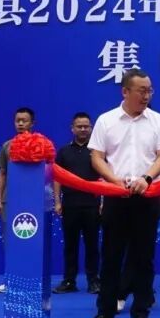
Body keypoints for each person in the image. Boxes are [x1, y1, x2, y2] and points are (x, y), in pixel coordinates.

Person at [82, 68, 160, 318]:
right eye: (141, 91)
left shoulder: (157, 120)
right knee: (111, 256)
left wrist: (147, 178)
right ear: (125, 91)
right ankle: (105, 314)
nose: (147, 96)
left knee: (144, 258)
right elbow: (96, 157)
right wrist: (114, 181)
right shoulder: (106, 120)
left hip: (147, 197)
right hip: (116, 197)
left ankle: (141, 313)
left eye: (150, 91)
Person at [52, 112, 101, 295]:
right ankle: (69, 281)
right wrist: (58, 201)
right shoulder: (64, 152)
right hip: (70, 205)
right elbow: (57, 178)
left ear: (91, 128)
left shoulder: (97, 152)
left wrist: (103, 201)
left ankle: (93, 281)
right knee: (70, 245)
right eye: (79, 126)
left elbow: (105, 178)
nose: (83, 129)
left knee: (92, 245)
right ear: (72, 128)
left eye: (86, 126)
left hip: (92, 205)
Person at [0, 107, 35, 294]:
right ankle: (11, 280)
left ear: (32, 123)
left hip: (32, 202)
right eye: (18, 120)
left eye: (24, 120)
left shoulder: (40, 145)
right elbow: (2, 174)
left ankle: (30, 280)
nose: (20, 123)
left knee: (30, 241)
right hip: (10, 201)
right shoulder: (7, 146)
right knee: (10, 242)